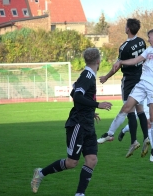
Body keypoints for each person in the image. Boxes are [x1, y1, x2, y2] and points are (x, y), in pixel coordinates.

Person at [31, 48, 113, 196]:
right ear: (98, 61)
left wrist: (89, 111)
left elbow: (73, 91)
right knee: (72, 163)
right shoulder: (87, 76)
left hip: (87, 123)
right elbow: (76, 96)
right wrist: (97, 104)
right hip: (78, 125)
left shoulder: (88, 75)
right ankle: (41, 173)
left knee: (92, 159)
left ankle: (80, 194)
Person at [103, 28, 153, 162]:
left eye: (149, 37)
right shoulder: (149, 49)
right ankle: (109, 134)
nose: (148, 40)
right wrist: (121, 62)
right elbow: (136, 60)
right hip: (142, 84)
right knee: (126, 107)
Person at [96, 18, 150, 158]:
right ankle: (146, 138)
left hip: (129, 81)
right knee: (140, 110)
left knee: (130, 111)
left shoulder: (124, 47)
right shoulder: (142, 42)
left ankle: (133, 141)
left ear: (128, 29)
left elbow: (118, 65)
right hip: (141, 79)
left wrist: (106, 77)